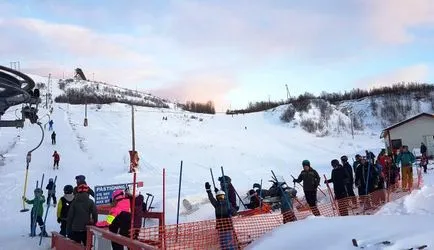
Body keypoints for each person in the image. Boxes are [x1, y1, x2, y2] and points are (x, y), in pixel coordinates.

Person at [205, 182, 239, 250]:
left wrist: (232, 211)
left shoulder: (228, 204)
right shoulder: (216, 205)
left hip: (228, 227)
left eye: (222, 196)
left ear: (224, 196)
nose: (221, 198)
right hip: (220, 227)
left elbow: (235, 213)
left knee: (229, 242)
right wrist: (208, 190)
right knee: (223, 243)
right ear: (217, 198)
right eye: (219, 197)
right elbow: (211, 198)